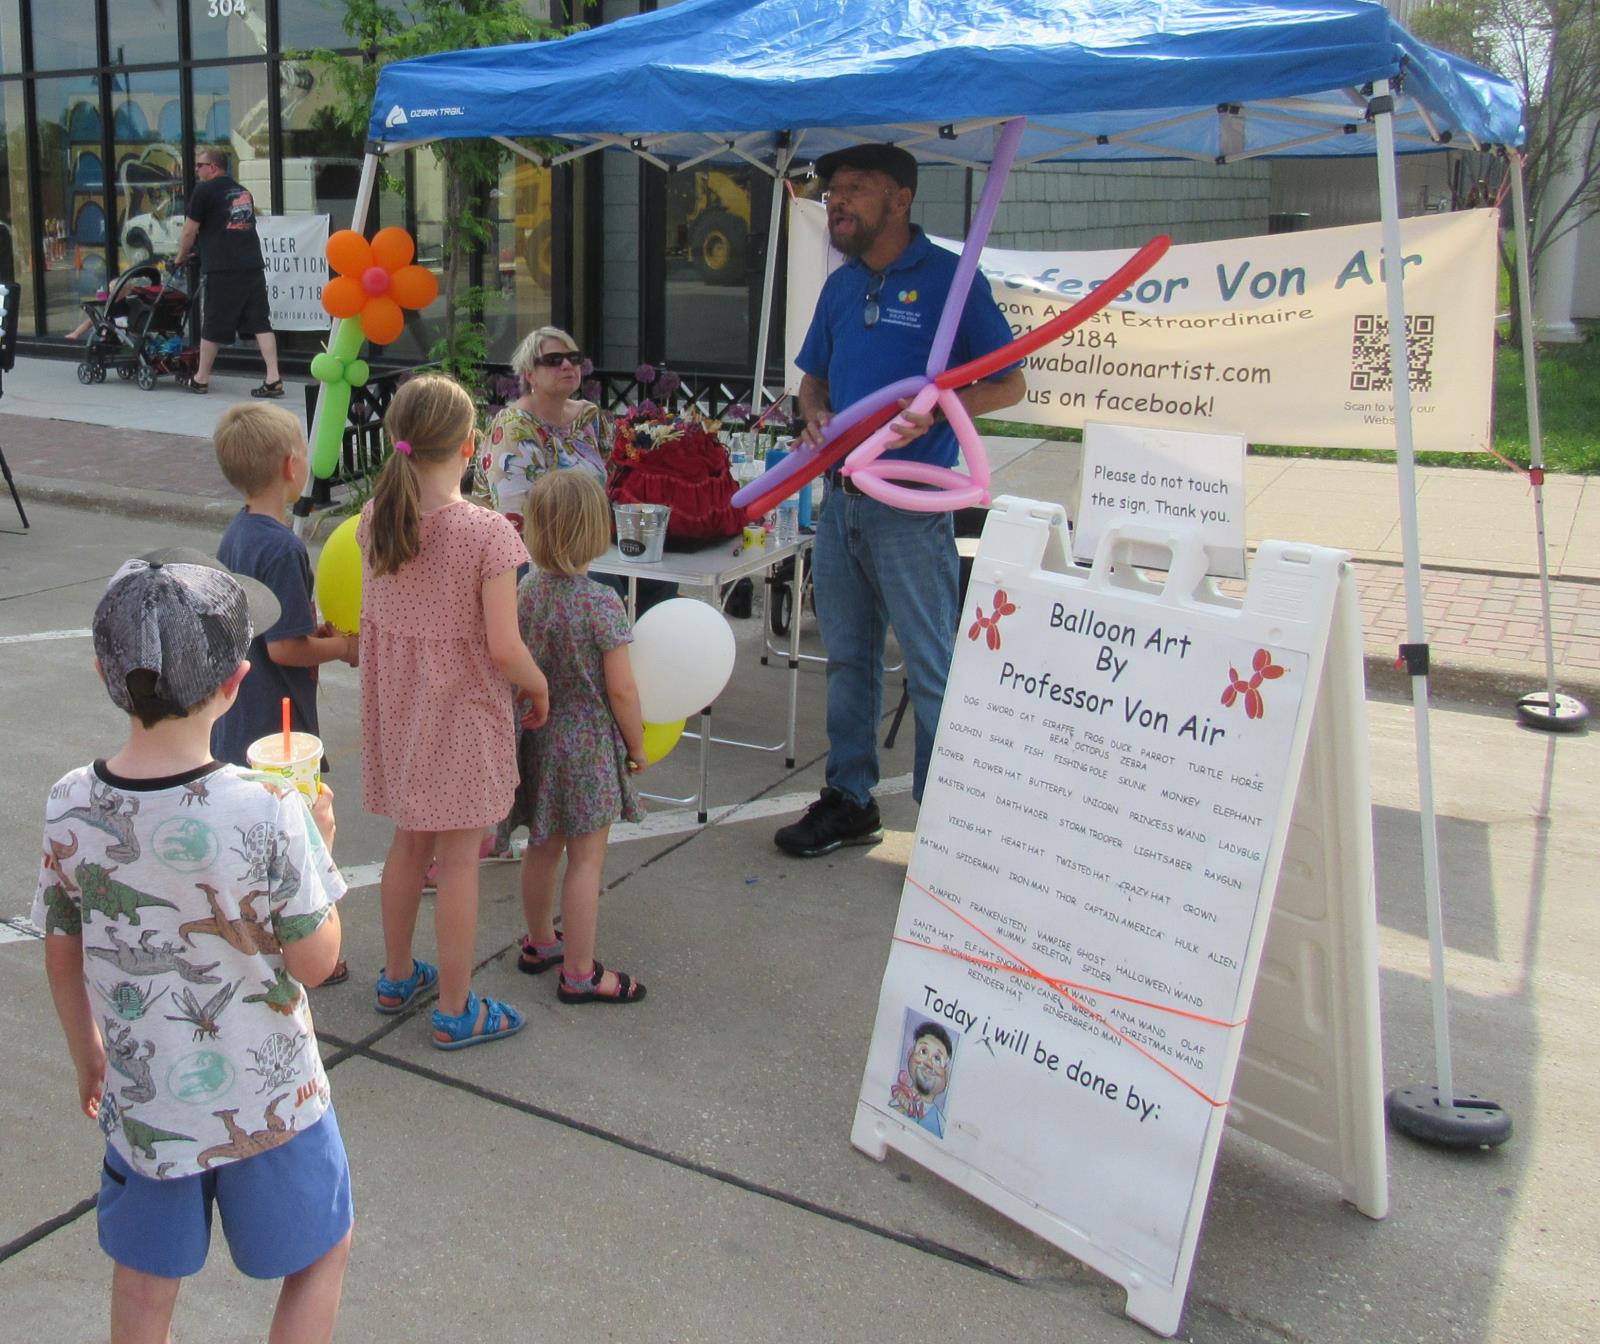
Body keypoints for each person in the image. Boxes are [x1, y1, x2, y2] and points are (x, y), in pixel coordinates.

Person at [34, 548, 352, 1343]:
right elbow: (315, 962)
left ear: (111, 679)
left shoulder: (71, 802)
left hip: (145, 1102)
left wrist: (89, 1054)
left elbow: (62, 946)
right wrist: (319, 848)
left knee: (146, 1289)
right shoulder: (268, 808)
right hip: (271, 1099)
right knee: (319, 1254)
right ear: (237, 681)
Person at [774, 143, 1025, 859]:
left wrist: (943, 407)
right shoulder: (842, 285)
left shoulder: (951, 281)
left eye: (852, 189)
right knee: (849, 659)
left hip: (913, 507)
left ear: (900, 198)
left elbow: (1009, 383)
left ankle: (945, 826)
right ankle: (850, 800)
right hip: (843, 500)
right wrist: (813, 413)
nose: (837, 203)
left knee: (930, 666)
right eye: (831, 194)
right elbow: (812, 379)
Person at [358, 373, 550, 1049]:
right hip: (461, 716)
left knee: (410, 841)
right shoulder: (487, 534)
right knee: (461, 858)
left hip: (403, 713)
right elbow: (505, 647)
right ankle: (456, 1008)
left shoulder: (375, 518)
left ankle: (396, 972)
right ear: (470, 446)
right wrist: (541, 685)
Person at [211, 402, 358, 984]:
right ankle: (310, 946)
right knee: (299, 836)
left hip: (240, 712)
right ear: (293, 466)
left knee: (251, 837)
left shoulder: (239, 532)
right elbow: (286, 649)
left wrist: (310, 633)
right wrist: (345, 646)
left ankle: (253, 935)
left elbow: (270, 627)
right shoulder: (285, 547)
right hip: (280, 724)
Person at [508, 469, 648, 1005]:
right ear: (597, 530)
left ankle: (541, 940)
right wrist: (636, 747)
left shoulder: (525, 593)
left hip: (538, 739)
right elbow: (624, 692)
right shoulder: (602, 604)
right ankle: (581, 972)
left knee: (541, 848)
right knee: (586, 860)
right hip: (586, 747)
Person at [481, 325, 675, 614]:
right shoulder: (514, 428)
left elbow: (616, 480)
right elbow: (519, 522)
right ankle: (613, 656)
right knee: (606, 586)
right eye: (553, 360)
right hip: (538, 554)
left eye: (573, 358)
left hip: (593, 543)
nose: (567, 365)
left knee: (660, 579)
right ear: (529, 374)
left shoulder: (588, 416)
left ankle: (641, 656)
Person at [172, 147, 283, 398]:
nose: (197, 170)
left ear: (213, 167)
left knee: (213, 322)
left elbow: (190, 231)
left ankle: (200, 379)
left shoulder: (204, 191)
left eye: (200, 165)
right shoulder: (243, 191)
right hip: (252, 265)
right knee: (260, 321)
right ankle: (274, 377)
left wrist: (180, 257)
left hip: (224, 268)